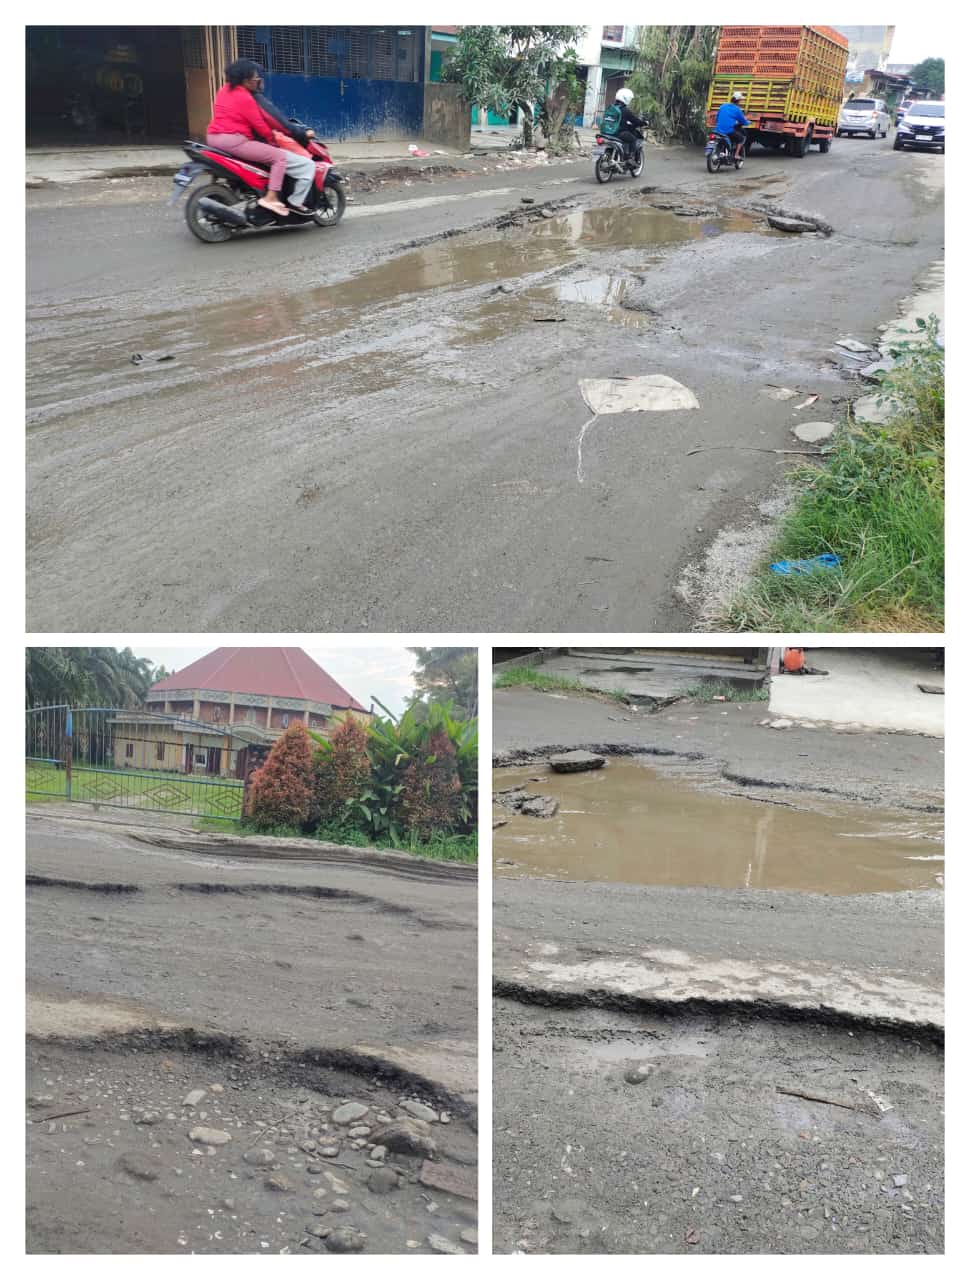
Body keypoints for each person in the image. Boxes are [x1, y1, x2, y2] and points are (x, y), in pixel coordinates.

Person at [206, 59, 316, 216]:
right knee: (279, 157)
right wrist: (273, 141)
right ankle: (271, 197)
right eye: (255, 77)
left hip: (213, 138)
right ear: (246, 80)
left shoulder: (224, 90)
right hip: (235, 141)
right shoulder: (245, 97)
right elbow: (260, 125)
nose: (258, 80)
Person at [611, 87, 647, 161]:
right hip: (619, 133)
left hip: (607, 132)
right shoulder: (625, 110)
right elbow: (635, 121)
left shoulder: (612, 107)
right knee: (633, 139)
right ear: (626, 98)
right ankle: (629, 158)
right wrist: (644, 123)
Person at [714, 90, 750, 161]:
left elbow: (717, 118)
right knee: (741, 138)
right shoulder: (737, 110)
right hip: (728, 131)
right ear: (738, 100)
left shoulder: (723, 106)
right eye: (740, 100)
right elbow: (743, 121)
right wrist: (748, 122)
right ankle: (736, 155)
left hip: (718, 130)